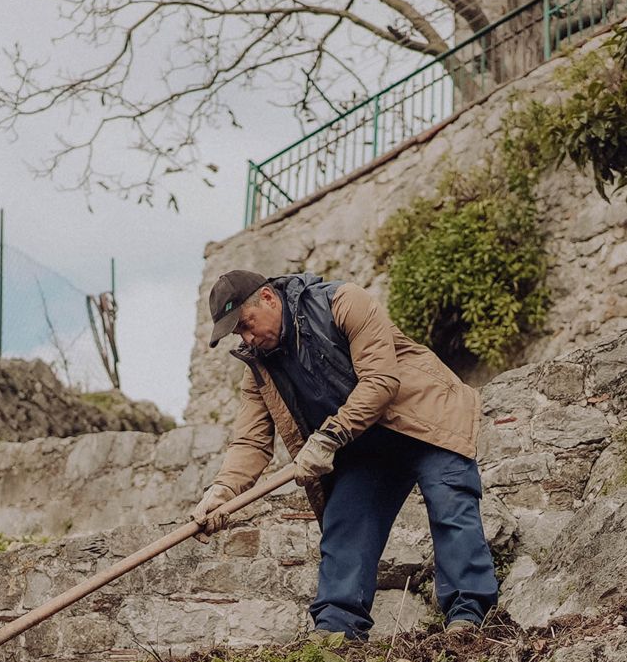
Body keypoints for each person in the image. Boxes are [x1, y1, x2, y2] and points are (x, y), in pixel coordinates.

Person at [193, 269, 498, 640]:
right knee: (345, 523)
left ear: (269, 299)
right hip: (363, 445)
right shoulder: (259, 368)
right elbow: (251, 443)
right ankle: (337, 632)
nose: (247, 338)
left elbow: (381, 381)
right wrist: (223, 491)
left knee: (450, 505)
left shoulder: (342, 302)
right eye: (238, 334)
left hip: (424, 417)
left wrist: (328, 437)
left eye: (246, 324)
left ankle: (468, 621)